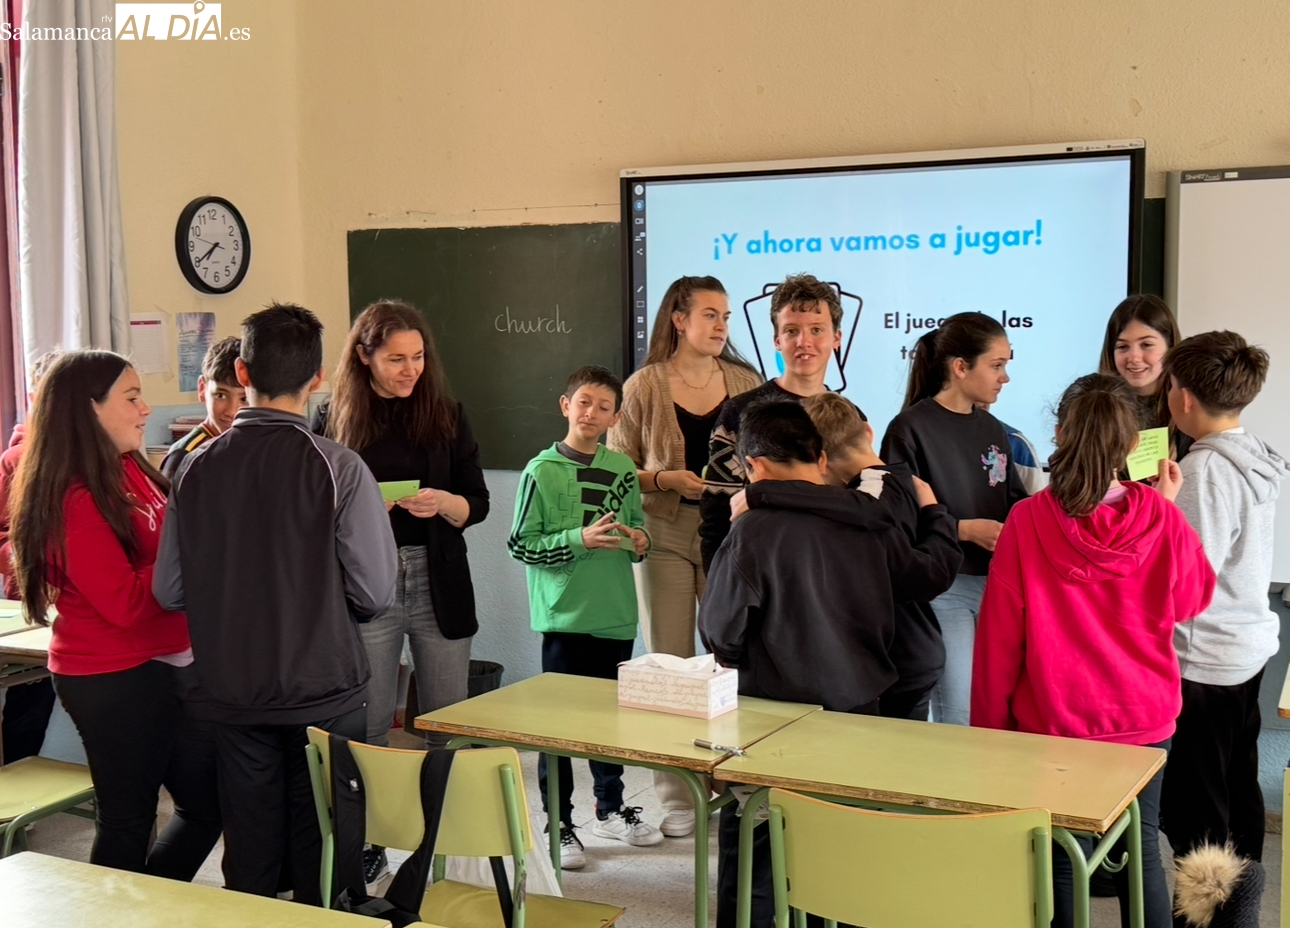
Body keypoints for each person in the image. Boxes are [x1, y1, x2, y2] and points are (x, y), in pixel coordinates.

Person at [154, 304, 397, 903]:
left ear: (242, 372)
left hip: (233, 688)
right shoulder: (339, 467)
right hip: (325, 686)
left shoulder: (192, 467)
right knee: (323, 842)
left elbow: (169, 590)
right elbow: (374, 593)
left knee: (251, 840)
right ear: (318, 378)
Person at [701, 400, 959, 928]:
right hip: (858, 712)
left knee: (756, 849)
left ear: (753, 466)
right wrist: (938, 518)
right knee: (836, 849)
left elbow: (721, 631)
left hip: (770, 722)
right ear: (821, 459)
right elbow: (925, 576)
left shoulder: (752, 532)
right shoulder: (873, 524)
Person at [971, 373, 1216, 928]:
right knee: (1142, 849)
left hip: (1054, 724)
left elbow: (999, 643)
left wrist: (990, 736)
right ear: (1131, 444)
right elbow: (1190, 600)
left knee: (1062, 857)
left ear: (1060, 434)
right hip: (1144, 718)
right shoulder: (1161, 516)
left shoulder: (1027, 521)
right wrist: (1167, 512)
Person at [9, 350, 222, 878]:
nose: (145, 408)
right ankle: (123, 909)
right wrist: (190, 558)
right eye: (131, 398)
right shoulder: (73, 495)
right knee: (129, 821)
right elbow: (124, 603)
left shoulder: (129, 465)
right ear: (90, 408)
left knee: (207, 806)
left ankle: (148, 902)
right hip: (111, 675)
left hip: (166, 663)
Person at [607, 275, 761, 838]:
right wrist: (664, 479)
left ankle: (736, 786)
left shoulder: (747, 382)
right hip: (664, 534)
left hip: (733, 537)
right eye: (710, 315)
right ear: (679, 319)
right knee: (670, 666)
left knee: (730, 660)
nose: (721, 326)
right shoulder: (644, 385)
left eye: (725, 316)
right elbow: (616, 465)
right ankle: (678, 796)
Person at [316, 301, 489, 750]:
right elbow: (313, 513)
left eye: (418, 357)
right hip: (367, 581)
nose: (410, 370)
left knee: (447, 729)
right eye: (396, 359)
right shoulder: (333, 419)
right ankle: (370, 799)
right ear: (364, 356)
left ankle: (443, 798)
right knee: (368, 727)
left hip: (438, 578)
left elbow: (478, 504)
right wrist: (360, 509)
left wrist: (443, 502)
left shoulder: (449, 416)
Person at [508, 365, 657, 870]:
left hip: (615, 615)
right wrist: (578, 538)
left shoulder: (622, 469)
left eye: (604, 407)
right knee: (558, 729)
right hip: (564, 618)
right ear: (565, 406)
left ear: (615, 417)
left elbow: (636, 527)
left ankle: (610, 808)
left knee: (609, 725)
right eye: (584, 402)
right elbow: (521, 545)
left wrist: (640, 540)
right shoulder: (540, 471)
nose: (592, 413)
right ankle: (559, 822)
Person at [735, 392, 963, 720]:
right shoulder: (897, 487)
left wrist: (764, 492)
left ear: (821, 459)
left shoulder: (874, 493)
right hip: (906, 652)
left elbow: (875, 515)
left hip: (896, 656)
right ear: (868, 431)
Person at [1160, 332, 1286, 881]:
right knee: (1237, 786)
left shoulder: (1204, 471)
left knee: (1197, 806)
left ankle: (1206, 912)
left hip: (1203, 660)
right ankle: (1240, 902)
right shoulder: (1253, 452)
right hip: (1244, 649)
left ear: (1184, 397)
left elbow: (1188, 578)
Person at [880, 311, 1028, 725]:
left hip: (997, 586)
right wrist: (962, 530)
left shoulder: (995, 430)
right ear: (960, 367)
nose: (1004, 378)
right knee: (958, 712)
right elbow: (896, 518)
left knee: (996, 708)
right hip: (944, 588)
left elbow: (1015, 500)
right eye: (996, 366)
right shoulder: (909, 429)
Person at [699, 273, 841, 570]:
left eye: (817, 329)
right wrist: (720, 584)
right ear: (777, 340)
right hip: (758, 572)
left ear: (836, 338)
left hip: (831, 572)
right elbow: (716, 514)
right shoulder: (740, 412)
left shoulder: (849, 417)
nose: (804, 342)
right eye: (791, 331)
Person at [0, 349, 61, 762]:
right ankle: (17, 782)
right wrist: (35, 567)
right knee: (28, 708)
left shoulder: (98, 455)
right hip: (34, 603)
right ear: (35, 397)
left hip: (83, 604)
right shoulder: (16, 461)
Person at [1099, 294, 1192, 460]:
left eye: (1146, 345)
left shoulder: (1192, 407)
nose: (1134, 357)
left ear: (1170, 347)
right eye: (1122, 346)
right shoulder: (1096, 408)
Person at [160, 336, 246, 480]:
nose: (232, 411)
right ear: (202, 389)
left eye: (245, 399)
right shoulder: (185, 455)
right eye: (220, 395)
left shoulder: (251, 446)